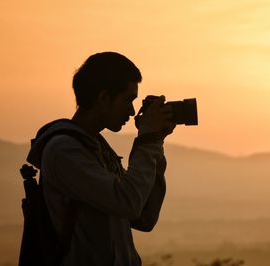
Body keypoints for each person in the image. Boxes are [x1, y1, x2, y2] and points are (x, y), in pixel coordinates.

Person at [26, 52, 175, 265]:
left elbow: (144, 216)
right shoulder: (64, 151)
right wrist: (148, 141)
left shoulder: (95, 148)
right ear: (103, 97)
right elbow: (128, 203)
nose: (132, 111)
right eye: (127, 100)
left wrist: (156, 142)